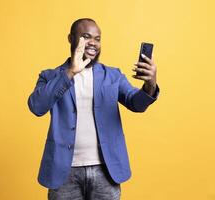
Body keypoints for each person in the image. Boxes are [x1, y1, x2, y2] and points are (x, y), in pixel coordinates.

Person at [28, 18, 159, 200]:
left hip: (106, 171)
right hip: (63, 173)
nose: (93, 43)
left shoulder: (112, 76)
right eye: (86, 36)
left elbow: (136, 104)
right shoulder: (50, 76)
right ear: (70, 39)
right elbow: (36, 106)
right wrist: (70, 72)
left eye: (97, 39)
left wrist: (150, 84)